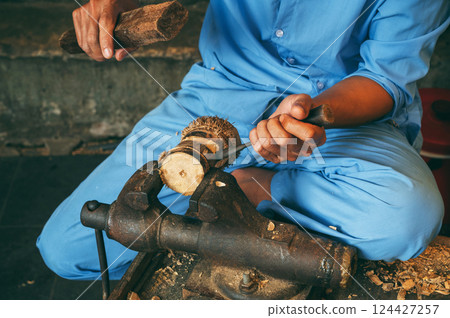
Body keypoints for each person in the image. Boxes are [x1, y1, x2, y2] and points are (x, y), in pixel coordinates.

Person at [37, 0, 449, 280]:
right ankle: (238, 201)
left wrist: (306, 112)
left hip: (333, 113)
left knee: (404, 219)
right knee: (67, 248)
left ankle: (249, 188)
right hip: (216, 97)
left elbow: (383, 79)